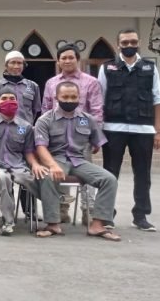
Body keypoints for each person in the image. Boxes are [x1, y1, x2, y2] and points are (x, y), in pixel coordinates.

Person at [34, 82, 121, 241]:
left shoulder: (88, 119)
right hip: (56, 159)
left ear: (79, 98)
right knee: (48, 176)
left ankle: (97, 225)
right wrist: (52, 165)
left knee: (109, 179)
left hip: (79, 161)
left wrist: (92, 147)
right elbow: (40, 147)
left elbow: (97, 144)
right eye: (65, 97)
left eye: (73, 97)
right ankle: (52, 224)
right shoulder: (44, 120)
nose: (69, 100)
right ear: (56, 97)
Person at [99, 28, 160, 232]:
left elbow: (158, 99)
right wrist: (98, 131)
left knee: (143, 174)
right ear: (118, 44)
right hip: (113, 128)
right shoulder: (107, 67)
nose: (129, 45)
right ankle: (107, 214)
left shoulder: (150, 68)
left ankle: (141, 215)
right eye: (125, 42)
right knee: (110, 174)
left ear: (139, 42)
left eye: (133, 42)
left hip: (143, 129)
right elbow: (100, 100)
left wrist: (158, 131)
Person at [0, 87, 47, 236]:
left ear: (17, 103)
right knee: (2, 178)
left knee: (31, 177)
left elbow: (28, 152)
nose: (8, 101)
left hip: (17, 165)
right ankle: (8, 222)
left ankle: (53, 199)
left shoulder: (25, 126)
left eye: (12, 99)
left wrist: (35, 164)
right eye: (4, 99)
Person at [42, 43, 104, 225]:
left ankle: (88, 211)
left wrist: (95, 138)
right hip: (57, 137)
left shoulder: (91, 82)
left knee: (86, 176)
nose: (67, 61)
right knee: (59, 173)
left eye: (71, 57)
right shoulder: (51, 83)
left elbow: (97, 111)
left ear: (78, 60)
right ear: (58, 61)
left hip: (82, 137)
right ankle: (62, 210)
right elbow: (46, 108)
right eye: (64, 58)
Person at [0, 51, 41, 124]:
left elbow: (36, 111)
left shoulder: (33, 86)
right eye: (13, 63)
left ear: (23, 65)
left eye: (19, 63)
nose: (16, 66)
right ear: (6, 65)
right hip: (3, 128)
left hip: (26, 128)